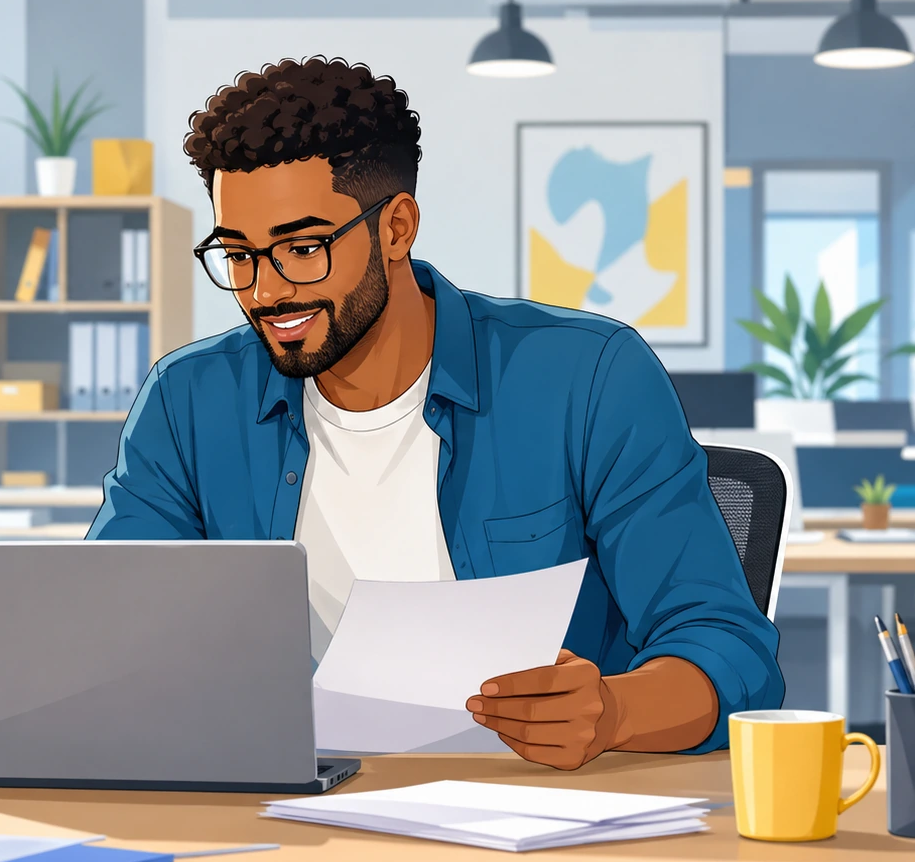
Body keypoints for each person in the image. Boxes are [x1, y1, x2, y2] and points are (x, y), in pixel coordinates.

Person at [87, 57, 783, 770]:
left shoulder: (585, 375)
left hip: (533, 816)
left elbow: (726, 648)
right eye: (238, 255)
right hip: (277, 813)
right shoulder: (187, 399)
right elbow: (104, 639)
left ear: (396, 228)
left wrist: (614, 711)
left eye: (302, 248)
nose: (265, 291)